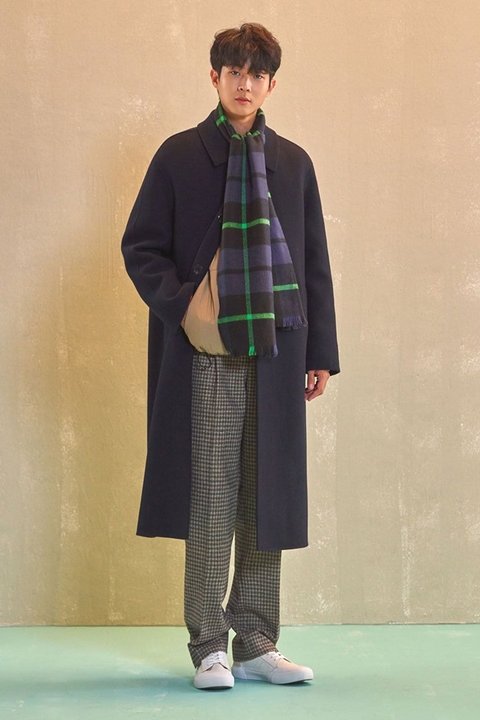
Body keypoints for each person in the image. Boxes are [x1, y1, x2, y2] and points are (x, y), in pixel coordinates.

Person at [121, 22, 340, 690]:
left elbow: (314, 262)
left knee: (266, 497)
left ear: (272, 84)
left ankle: (257, 641)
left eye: (257, 74)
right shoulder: (179, 156)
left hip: (277, 348)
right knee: (212, 497)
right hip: (206, 351)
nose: (245, 84)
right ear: (214, 76)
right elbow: (141, 246)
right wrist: (185, 306)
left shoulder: (293, 163)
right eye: (234, 71)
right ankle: (209, 645)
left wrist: (320, 352)